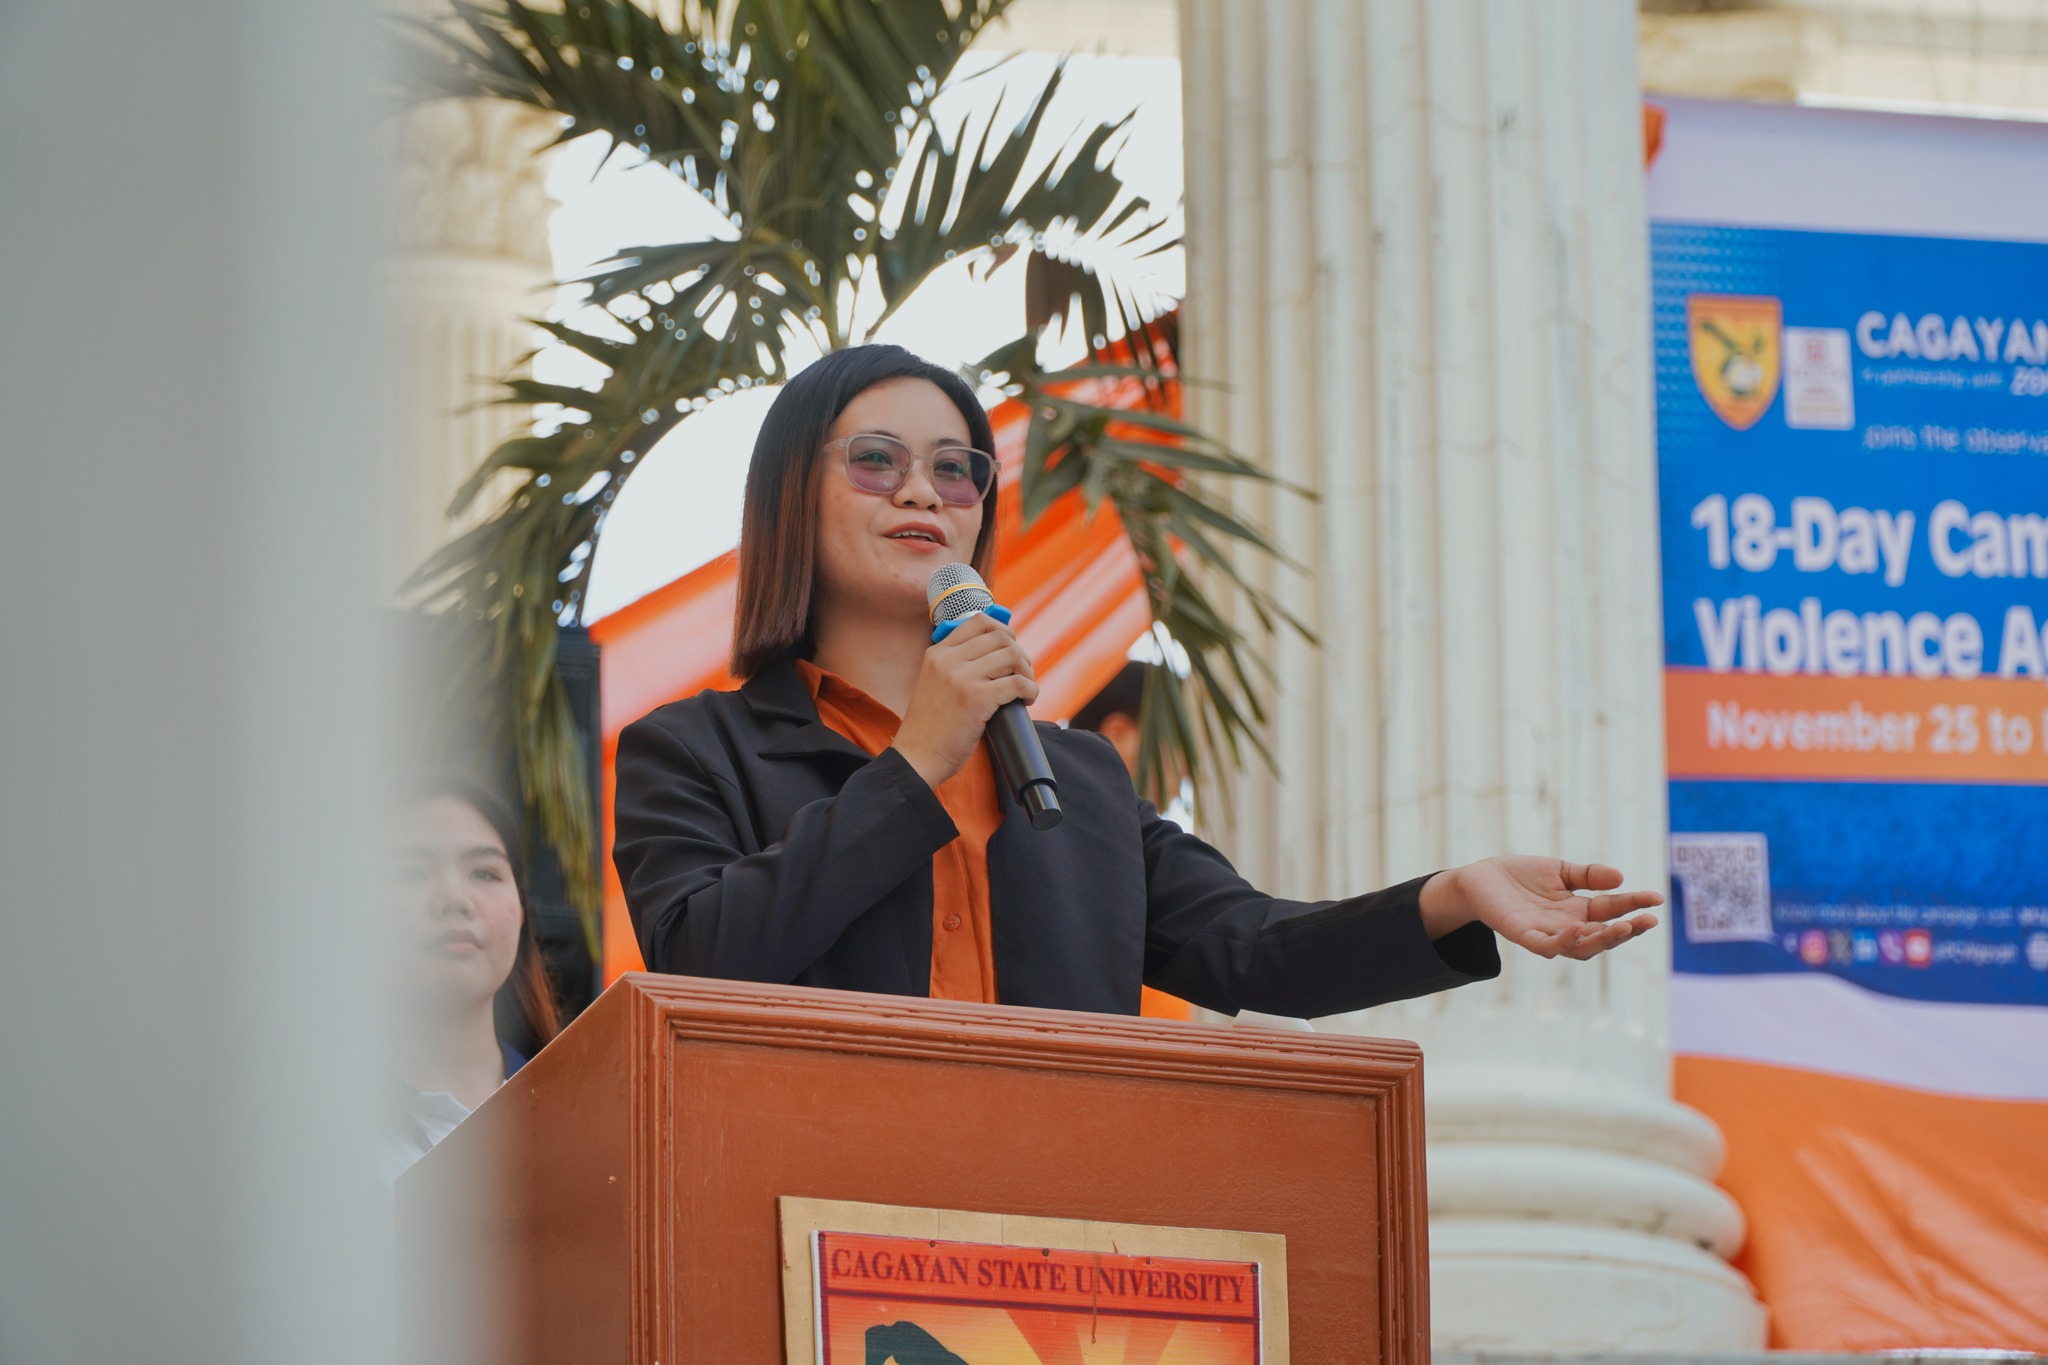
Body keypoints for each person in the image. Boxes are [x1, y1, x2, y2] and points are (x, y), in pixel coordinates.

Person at [612, 344, 1660, 1018]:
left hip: (1063, 1244)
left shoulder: (1074, 777)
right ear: (790, 494)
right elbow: (699, 966)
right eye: (877, 460)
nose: (923, 491)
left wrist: (1449, 897)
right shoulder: (694, 751)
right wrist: (918, 760)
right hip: (805, 1220)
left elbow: (1253, 950)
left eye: (956, 468)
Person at [381, 776, 561, 1181]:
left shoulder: (586, 1118)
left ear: (522, 908)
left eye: (484, 873)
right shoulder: (304, 1127)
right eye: (412, 874)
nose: (454, 899)